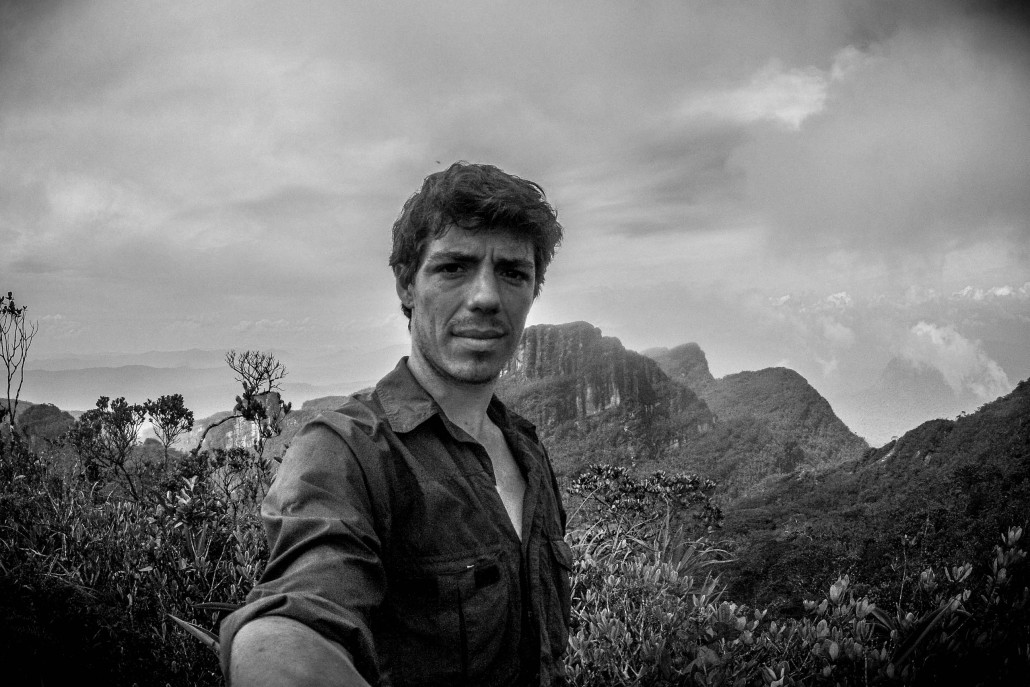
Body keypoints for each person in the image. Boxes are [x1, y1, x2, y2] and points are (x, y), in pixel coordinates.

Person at [221, 162, 571, 687]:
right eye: (454, 267)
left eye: (513, 272)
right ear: (408, 285)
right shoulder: (347, 451)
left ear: (532, 291)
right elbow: (289, 628)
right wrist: (276, 645)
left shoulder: (526, 448)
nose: (486, 297)